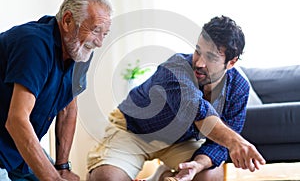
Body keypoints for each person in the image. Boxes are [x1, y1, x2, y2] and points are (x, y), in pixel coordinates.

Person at [87, 16, 265, 181]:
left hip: (181, 141)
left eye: (210, 57)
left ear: (231, 62)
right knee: (107, 178)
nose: (199, 63)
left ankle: (162, 174)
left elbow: (218, 145)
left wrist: (197, 165)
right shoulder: (175, 68)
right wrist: (237, 142)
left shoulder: (238, 88)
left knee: (210, 177)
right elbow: (196, 110)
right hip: (134, 130)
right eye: (198, 51)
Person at [0, 0, 112, 181]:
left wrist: (62, 167)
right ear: (67, 20)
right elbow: (16, 120)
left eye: (105, 33)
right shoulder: (33, 43)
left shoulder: (80, 52)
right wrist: (53, 179)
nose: (99, 42)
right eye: (95, 30)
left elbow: (68, 108)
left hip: (15, 150)